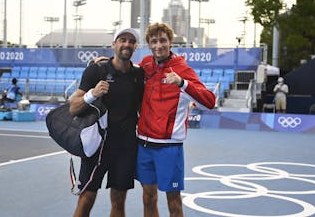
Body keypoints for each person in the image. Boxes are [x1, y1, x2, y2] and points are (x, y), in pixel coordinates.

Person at [136, 22, 216, 217]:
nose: (158, 45)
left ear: (170, 42)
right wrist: (105, 64)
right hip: (143, 144)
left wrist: (182, 83)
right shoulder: (146, 64)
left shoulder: (182, 69)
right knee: (148, 197)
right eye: (153, 41)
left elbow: (210, 102)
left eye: (163, 40)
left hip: (169, 147)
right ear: (149, 44)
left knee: (173, 201)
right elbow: (125, 69)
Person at [69, 28, 144, 217]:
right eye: (122, 40)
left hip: (126, 146)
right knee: (86, 199)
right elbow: (73, 107)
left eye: (131, 41)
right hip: (97, 146)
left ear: (135, 47)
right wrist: (91, 94)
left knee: (119, 201)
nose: (126, 44)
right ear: (114, 44)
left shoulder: (138, 75)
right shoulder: (97, 69)